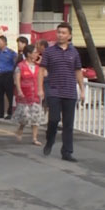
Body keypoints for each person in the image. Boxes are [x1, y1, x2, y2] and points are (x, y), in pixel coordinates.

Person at [39, 22, 85, 162]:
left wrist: (82, 90)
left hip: (70, 92)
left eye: (64, 33)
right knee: (54, 119)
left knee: (68, 124)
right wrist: (40, 89)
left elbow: (78, 71)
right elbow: (41, 70)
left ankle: (67, 152)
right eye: (59, 32)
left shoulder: (74, 52)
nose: (60, 35)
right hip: (54, 90)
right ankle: (50, 140)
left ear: (69, 36)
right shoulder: (49, 51)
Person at [12, 44, 46, 145]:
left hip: (35, 94)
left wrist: (42, 65)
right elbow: (17, 80)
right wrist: (19, 91)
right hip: (25, 95)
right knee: (25, 116)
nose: (37, 54)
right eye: (35, 52)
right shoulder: (21, 66)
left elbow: (45, 75)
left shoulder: (38, 67)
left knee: (36, 117)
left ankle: (34, 138)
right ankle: (20, 128)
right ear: (28, 54)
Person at [0, 35, 17, 119]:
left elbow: (16, 63)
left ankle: (10, 113)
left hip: (8, 75)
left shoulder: (11, 53)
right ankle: (0, 113)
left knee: (10, 95)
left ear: (4, 42)